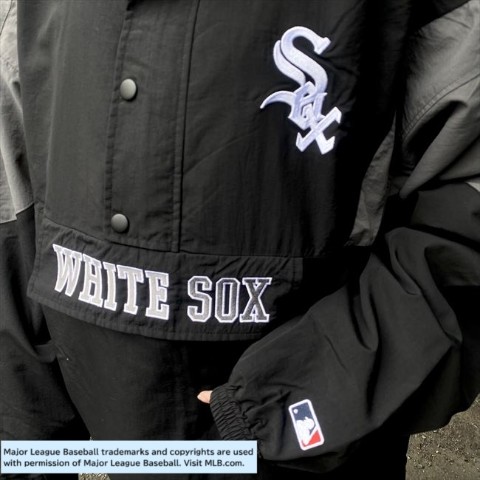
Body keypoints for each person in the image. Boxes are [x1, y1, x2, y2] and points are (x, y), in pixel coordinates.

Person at [1, 0, 479, 479]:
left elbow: (463, 220)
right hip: (116, 421)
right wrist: (22, 443)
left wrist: (286, 408)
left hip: (302, 444)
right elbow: (17, 186)